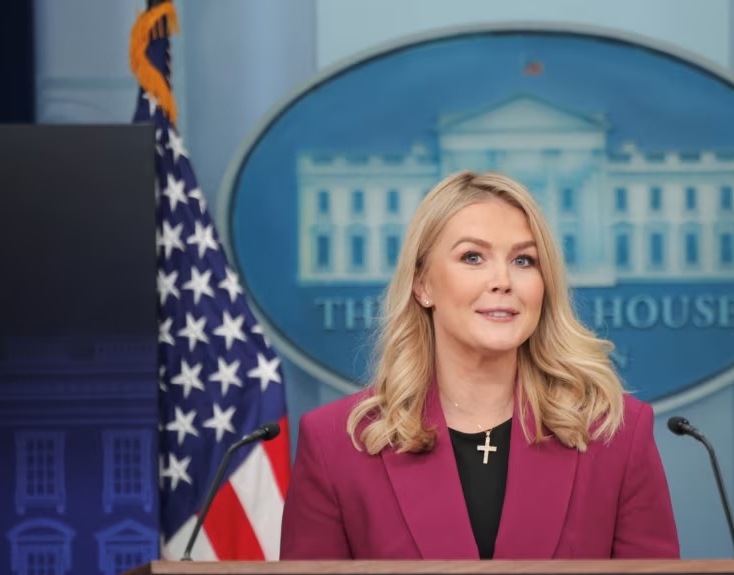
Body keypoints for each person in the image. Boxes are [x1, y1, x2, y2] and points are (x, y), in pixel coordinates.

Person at [280, 171, 680, 560]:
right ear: (423, 285)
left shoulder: (616, 435)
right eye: (473, 257)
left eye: (524, 260)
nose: (503, 280)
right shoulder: (336, 445)